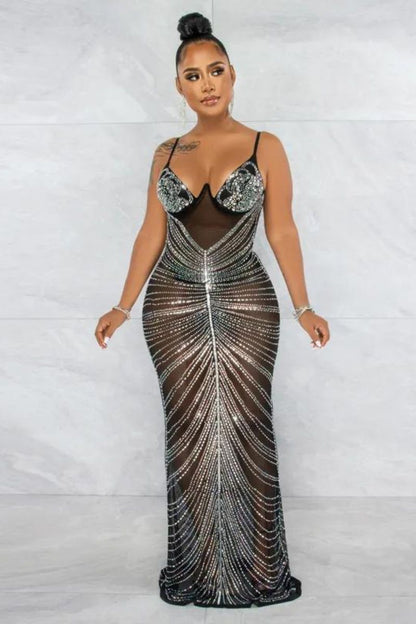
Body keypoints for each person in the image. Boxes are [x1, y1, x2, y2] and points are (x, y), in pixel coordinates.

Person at [95, 11, 329, 609]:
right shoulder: (166, 152)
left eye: (216, 70)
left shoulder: (265, 146)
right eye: (193, 75)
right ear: (178, 86)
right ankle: (195, 567)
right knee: (188, 433)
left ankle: (256, 567)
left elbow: (282, 229)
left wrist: (303, 305)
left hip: (248, 302)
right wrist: (122, 304)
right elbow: (151, 231)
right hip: (169, 306)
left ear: (233, 74)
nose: (207, 84)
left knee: (247, 426)